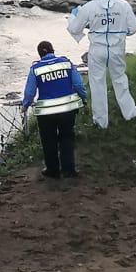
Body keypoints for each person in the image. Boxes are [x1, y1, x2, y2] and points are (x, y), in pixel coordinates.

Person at [67, 0, 136, 130]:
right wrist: (120, 32)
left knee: (97, 84)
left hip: (97, 49)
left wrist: (73, 16)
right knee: (120, 80)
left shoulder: (88, 7)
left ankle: (101, 122)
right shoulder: (122, 4)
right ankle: (129, 112)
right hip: (117, 48)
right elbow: (133, 28)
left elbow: (74, 29)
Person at [21, 40, 88, 179]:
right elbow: (78, 84)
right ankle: (69, 170)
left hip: (46, 113)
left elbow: (30, 92)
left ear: (39, 54)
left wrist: (25, 106)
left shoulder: (35, 69)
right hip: (68, 109)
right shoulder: (66, 63)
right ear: (53, 50)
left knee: (48, 140)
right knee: (67, 138)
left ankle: (52, 170)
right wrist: (84, 98)